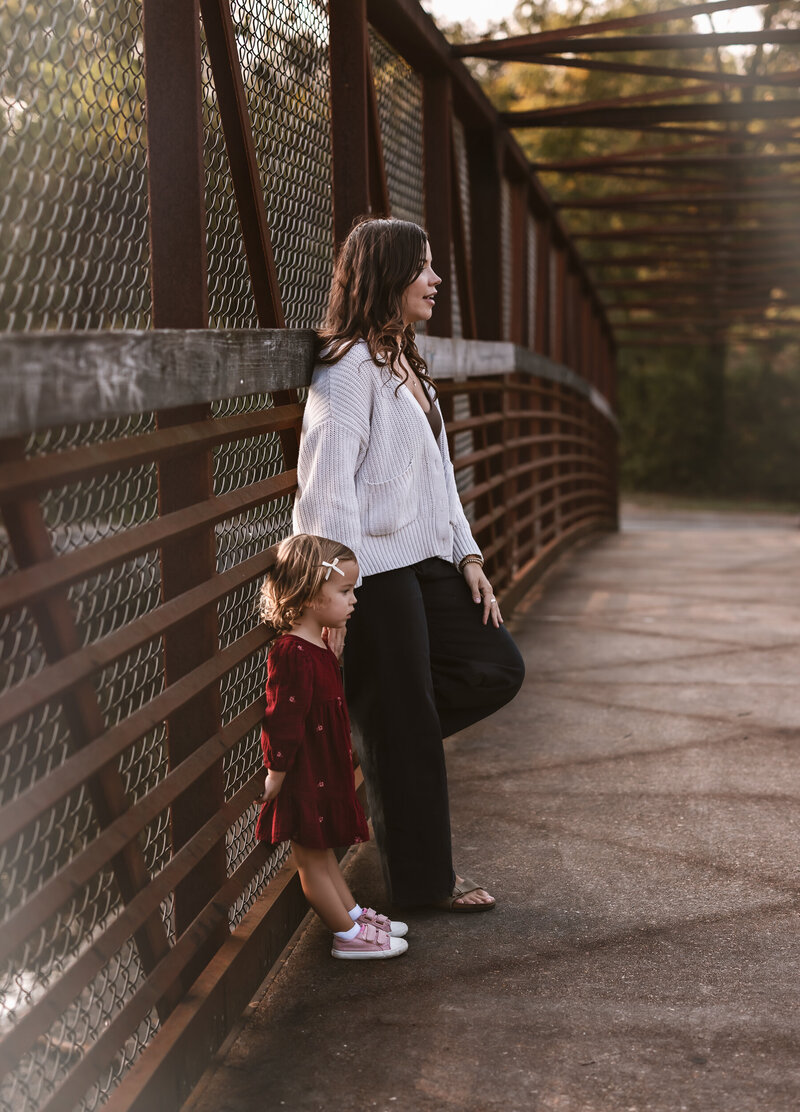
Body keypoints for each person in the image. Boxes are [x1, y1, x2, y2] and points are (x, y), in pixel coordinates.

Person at [293, 216, 525, 912]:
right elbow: (325, 490)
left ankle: (382, 741)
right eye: (422, 268)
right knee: (407, 722)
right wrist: (329, 596)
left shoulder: (404, 359)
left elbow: (439, 478)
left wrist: (469, 554)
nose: (436, 279)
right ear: (388, 277)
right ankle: (425, 889)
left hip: (428, 561)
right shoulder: (347, 372)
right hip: (374, 574)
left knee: (496, 667)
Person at [256, 532, 408, 960]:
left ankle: (354, 915)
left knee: (325, 856)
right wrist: (276, 774)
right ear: (308, 596)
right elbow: (283, 720)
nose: (354, 599)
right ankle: (346, 936)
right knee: (311, 861)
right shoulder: (291, 653)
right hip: (303, 776)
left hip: (323, 771)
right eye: (344, 591)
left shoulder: (319, 645)